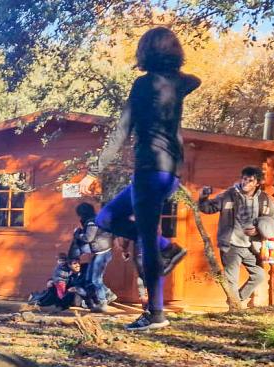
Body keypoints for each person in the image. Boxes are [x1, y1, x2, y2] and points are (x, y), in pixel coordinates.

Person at [87, 27, 200, 331]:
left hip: (150, 169)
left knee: (147, 243)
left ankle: (156, 314)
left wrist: (96, 169)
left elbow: (122, 129)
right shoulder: (181, 83)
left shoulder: (142, 85)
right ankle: (168, 246)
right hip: (170, 173)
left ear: (145, 53)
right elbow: (195, 80)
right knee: (107, 217)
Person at [198, 166, 274, 306]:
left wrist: (258, 230)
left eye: (250, 180)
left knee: (259, 275)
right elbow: (208, 208)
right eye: (244, 179)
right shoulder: (229, 195)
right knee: (232, 279)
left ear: (257, 183)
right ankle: (234, 307)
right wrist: (203, 197)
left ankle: (237, 299)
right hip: (231, 245)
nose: (245, 182)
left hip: (252, 246)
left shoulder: (264, 199)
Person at [70, 202, 116, 312]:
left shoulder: (92, 222)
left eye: (80, 214)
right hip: (101, 251)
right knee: (90, 278)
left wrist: (77, 233)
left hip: (102, 252)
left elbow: (88, 238)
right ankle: (109, 294)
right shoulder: (95, 219)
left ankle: (102, 303)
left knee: (96, 279)